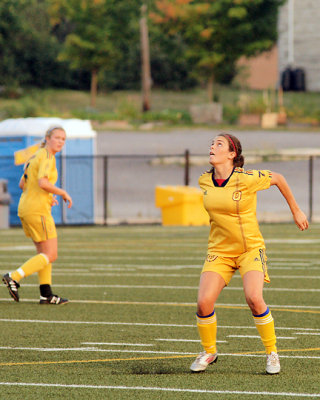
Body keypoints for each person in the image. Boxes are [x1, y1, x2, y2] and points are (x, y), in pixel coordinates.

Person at [190, 133, 308, 374]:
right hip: (219, 252)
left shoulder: (247, 178)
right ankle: (209, 351)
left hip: (250, 249)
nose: (212, 146)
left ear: (232, 154)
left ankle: (272, 353)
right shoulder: (204, 180)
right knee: (203, 303)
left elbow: (279, 178)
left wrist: (296, 211)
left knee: (254, 298)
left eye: (218, 144)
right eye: (211, 143)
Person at [2, 126, 73, 305]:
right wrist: (61, 192)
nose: (60, 142)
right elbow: (42, 182)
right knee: (51, 254)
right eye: (57, 137)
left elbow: (22, 184)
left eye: (63, 139)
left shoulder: (35, 156)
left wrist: (48, 196)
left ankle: (46, 294)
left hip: (26, 208)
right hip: (37, 210)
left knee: (43, 252)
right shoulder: (47, 156)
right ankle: (14, 276)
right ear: (47, 138)